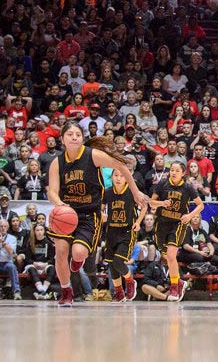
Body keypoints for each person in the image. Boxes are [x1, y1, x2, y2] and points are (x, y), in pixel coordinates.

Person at [47, 122, 148, 307]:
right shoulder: (57, 162)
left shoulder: (92, 155)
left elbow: (121, 166)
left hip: (88, 214)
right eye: (70, 134)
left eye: (78, 134)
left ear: (82, 138)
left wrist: (135, 192)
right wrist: (59, 203)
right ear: (62, 139)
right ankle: (66, 291)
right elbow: (52, 191)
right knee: (60, 252)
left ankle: (78, 260)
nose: (74, 137)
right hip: (66, 213)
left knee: (78, 253)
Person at [150, 161, 204, 302]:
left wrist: (190, 216)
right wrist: (162, 203)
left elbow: (200, 205)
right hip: (162, 224)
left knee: (171, 255)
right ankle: (179, 281)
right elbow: (151, 202)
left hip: (178, 224)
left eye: (177, 171)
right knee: (167, 257)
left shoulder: (187, 187)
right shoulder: (162, 184)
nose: (173, 173)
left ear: (183, 173)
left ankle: (174, 286)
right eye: (172, 170)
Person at [103, 168, 146, 302]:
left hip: (127, 232)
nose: (118, 178)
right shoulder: (108, 192)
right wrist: (102, 214)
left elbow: (144, 206)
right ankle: (119, 292)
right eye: (116, 175)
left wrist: (138, 222)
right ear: (111, 177)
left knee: (118, 261)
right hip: (111, 231)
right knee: (111, 264)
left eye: (122, 176)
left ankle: (130, 281)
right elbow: (100, 208)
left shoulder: (133, 192)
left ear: (127, 178)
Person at [23, 223, 56, 300]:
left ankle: (44, 288)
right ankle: (40, 288)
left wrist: (46, 264)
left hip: (44, 265)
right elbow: (27, 259)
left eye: (41, 230)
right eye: (37, 230)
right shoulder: (30, 243)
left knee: (52, 268)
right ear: (34, 232)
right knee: (31, 269)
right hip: (33, 264)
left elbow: (52, 258)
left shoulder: (48, 243)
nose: (39, 232)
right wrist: (34, 263)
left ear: (44, 231)